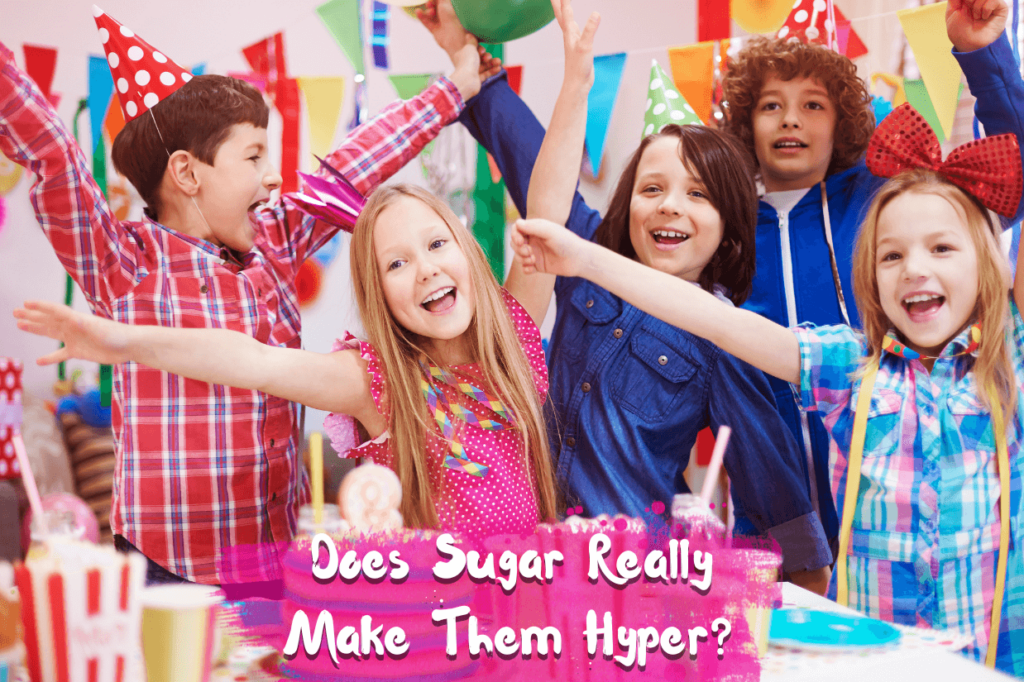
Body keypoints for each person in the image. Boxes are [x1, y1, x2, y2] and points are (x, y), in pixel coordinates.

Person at [510, 104, 1024, 673]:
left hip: (990, 660)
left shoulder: (1009, 368)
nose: (914, 269)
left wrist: (984, 53)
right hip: (876, 661)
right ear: (869, 277)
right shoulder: (849, 367)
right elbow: (719, 321)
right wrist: (583, 256)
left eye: (943, 248)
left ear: (991, 264)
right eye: (892, 255)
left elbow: (765, 467)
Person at [0, 10, 498, 583]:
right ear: (187, 174)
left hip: (276, 557)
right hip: (172, 567)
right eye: (255, 156)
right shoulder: (122, 264)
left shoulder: (277, 238)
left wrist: (453, 89)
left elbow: (355, 164)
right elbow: (54, 154)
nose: (272, 177)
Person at [421, 0, 832, 591]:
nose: (670, 205)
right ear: (627, 205)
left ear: (729, 227)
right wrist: (472, 65)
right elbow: (534, 162)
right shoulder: (586, 259)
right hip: (525, 566)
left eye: (698, 195)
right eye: (653, 188)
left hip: (634, 583)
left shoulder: (726, 337)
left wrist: (800, 587)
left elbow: (773, 486)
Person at [16, 182, 558, 537]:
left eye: (437, 245)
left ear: (466, 250)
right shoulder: (378, 381)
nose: (425, 270)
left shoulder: (508, 342)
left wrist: (577, 74)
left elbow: (549, 209)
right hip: (436, 635)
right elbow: (251, 360)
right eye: (397, 262)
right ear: (381, 296)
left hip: (527, 624)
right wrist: (120, 342)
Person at [721, 0, 1024, 548]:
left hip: (900, 517)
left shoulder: (886, 204)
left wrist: (983, 54)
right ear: (746, 121)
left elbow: (1010, 174)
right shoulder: (723, 229)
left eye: (813, 104)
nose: (791, 118)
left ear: (842, 122)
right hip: (768, 528)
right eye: (772, 105)